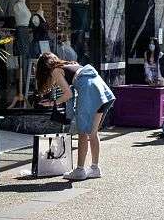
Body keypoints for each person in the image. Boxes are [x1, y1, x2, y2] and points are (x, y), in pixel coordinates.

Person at [36, 52, 115, 180]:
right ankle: (95, 168)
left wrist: (52, 102)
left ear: (43, 68)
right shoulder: (71, 64)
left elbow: (68, 94)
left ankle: (80, 170)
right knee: (93, 133)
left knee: (83, 133)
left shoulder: (56, 70)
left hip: (89, 92)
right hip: (101, 90)